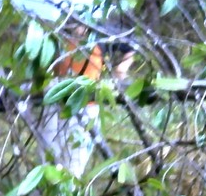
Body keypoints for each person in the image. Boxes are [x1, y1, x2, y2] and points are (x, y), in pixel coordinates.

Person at [38, 30, 135, 178]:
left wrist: (120, 71)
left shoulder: (99, 35)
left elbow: (130, 47)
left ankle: (68, 195)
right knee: (48, 158)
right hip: (56, 105)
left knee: (74, 164)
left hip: (87, 107)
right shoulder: (56, 30)